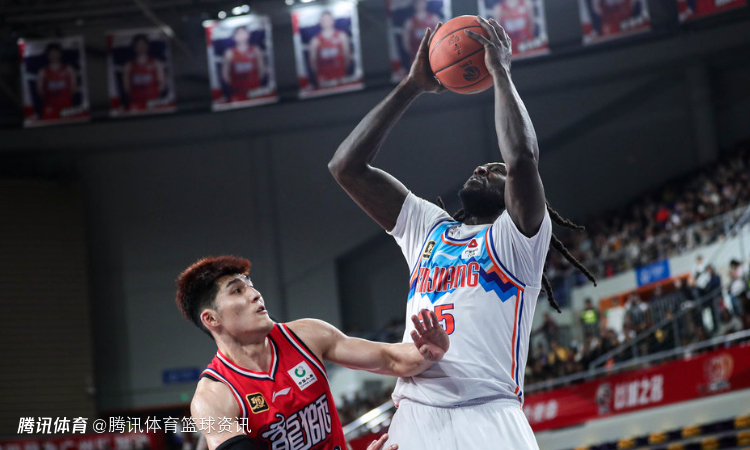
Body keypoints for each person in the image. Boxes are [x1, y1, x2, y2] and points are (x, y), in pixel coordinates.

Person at [328, 16, 595, 449]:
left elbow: (522, 158)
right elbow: (346, 167)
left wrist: (500, 73)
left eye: (495, 170)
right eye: (483, 166)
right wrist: (410, 87)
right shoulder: (427, 228)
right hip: (416, 416)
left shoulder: (517, 241)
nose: (483, 169)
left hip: (488, 414)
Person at [178, 256, 449, 450]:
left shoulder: (307, 335)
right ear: (211, 319)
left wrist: (428, 352)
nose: (255, 294)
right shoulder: (212, 398)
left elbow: (392, 359)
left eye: (250, 285)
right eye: (237, 291)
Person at [222, 26, 267, 102]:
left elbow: (262, 68)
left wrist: (257, 82)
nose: (242, 35)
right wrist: (233, 86)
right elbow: (225, 73)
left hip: (254, 90)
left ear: (248, 34)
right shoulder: (229, 53)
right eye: (239, 33)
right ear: (234, 37)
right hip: (237, 91)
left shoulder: (255, 50)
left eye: (244, 32)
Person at [308, 11, 351, 88]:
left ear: (333, 21)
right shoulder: (315, 41)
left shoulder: (341, 36)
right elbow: (312, 61)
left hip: (341, 77)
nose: (326, 22)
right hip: (324, 80)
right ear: (320, 22)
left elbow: (347, 55)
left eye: (328, 19)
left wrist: (344, 69)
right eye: (324, 20)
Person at [123, 34, 165, 110]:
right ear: (134, 47)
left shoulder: (155, 63)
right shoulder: (129, 65)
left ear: (147, 46)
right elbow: (126, 86)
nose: (141, 47)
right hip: (135, 102)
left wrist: (154, 95)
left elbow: (162, 83)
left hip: (153, 101)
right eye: (138, 45)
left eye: (143, 44)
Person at [36, 43, 77, 120]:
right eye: (51, 53)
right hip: (50, 106)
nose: (54, 55)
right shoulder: (43, 72)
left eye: (56, 53)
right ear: (48, 55)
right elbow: (40, 90)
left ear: (60, 54)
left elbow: (74, 87)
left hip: (66, 105)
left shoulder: (68, 69)